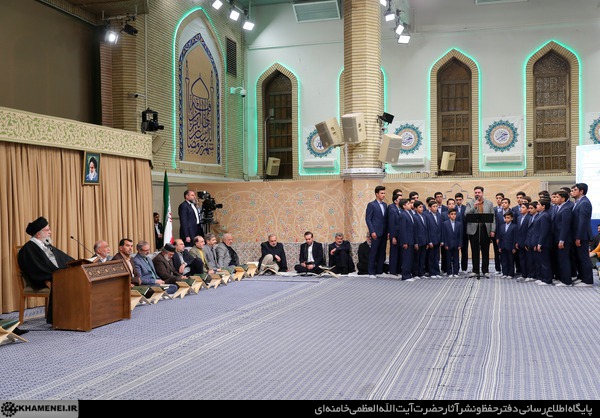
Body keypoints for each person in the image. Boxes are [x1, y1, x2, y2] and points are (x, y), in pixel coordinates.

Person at [17, 217, 74, 325]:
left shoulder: (46, 245)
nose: (50, 232)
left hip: (55, 275)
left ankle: (74, 313)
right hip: (42, 279)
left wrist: (76, 263)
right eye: (47, 230)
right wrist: (58, 274)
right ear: (38, 234)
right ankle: (61, 318)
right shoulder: (28, 249)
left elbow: (63, 258)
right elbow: (36, 269)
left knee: (76, 276)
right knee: (67, 280)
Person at [465, 186, 495, 278]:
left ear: (482, 193)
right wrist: (474, 207)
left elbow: (493, 217)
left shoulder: (489, 203)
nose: (477, 194)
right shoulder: (470, 203)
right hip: (474, 230)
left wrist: (492, 230)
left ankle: (485, 270)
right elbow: (466, 214)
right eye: (475, 192)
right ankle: (475, 270)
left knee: (485, 251)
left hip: (485, 229)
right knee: (475, 251)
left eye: (479, 192)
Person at [570, 183, 594, 287]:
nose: (573, 192)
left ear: (581, 191)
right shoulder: (578, 202)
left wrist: (579, 237)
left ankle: (588, 281)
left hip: (582, 235)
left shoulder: (584, 203)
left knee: (584, 258)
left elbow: (582, 222)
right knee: (578, 257)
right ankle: (582, 277)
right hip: (577, 234)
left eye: (575, 190)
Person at [551, 190, 573, 286]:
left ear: (563, 199)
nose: (555, 199)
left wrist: (562, 240)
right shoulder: (558, 208)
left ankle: (567, 281)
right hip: (556, 237)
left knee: (564, 260)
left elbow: (565, 226)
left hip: (563, 239)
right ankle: (561, 278)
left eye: (557, 197)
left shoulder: (566, 209)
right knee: (560, 259)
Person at [365, 185, 388, 278]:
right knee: (373, 252)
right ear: (376, 194)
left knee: (382, 252)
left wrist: (388, 232)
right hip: (375, 232)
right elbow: (368, 219)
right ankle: (371, 272)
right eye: (382, 193)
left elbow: (386, 219)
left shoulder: (385, 205)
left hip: (384, 232)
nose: (383, 195)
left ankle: (379, 270)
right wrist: (372, 231)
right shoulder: (371, 205)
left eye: (384, 193)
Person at [441, 208, 462, 278]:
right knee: (448, 259)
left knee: (456, 259)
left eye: (455, 214)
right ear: (448, 215)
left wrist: (460, 244)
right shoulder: (445, 223)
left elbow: (460, 235)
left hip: (456, 244)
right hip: (448, 244)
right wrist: (445, 244)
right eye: (452, 214)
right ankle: (449, 272)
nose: (453, 215)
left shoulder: (459, 224)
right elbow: (444, 235)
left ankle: (456, 272)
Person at [496, 211, 516, 278]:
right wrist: (499, 247)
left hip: (510, 246)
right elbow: (500, 237)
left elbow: (514, 238)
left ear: (512, 218)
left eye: (508, 218)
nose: (506, 219)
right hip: (503, 246)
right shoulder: (501, 226)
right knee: (504, 260)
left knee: (510, 260)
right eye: (505, 218)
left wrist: (514, 247)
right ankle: (505, 273)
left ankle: (510, 274)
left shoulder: (514, 226)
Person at [454, 192, 469, 273]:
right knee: (455, 251)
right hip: (455, 233)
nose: (458, 201)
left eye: (460, 200)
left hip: (465, 233)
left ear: (462, 199)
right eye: (457, 200)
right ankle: (455, 268)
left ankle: (464, 268)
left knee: (464, 251)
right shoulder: (453, 208)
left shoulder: (466, 208)